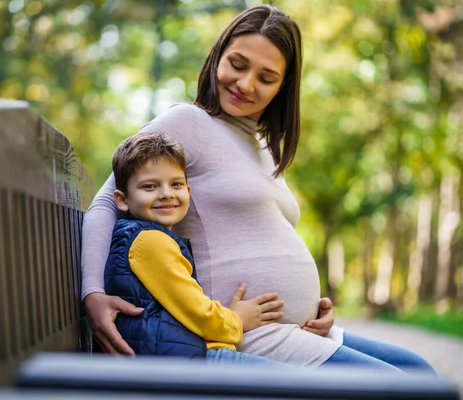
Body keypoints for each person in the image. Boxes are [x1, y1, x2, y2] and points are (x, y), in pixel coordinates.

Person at [82, 4, 434, 373]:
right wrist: (93, 293)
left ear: (284, 87)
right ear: (218, 56)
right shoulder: (187, 123)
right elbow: (108, 201)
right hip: (242, 332)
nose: (246, 84)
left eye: (266, 78)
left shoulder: (263, 148)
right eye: (237, 64)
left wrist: (313, 305)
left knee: (419, 371)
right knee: (402, 387)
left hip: (299, 329)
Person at [104, 131, 289, 366]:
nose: (166, 193)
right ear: (122, 200)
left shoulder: (153, 238)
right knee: (301, 386)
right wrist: (237, 320)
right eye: (150, 186)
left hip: (181, 356)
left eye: (176, 184)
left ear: (188, 192)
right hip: (187, 363)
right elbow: (197, 313)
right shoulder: (149, 242)